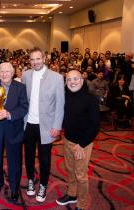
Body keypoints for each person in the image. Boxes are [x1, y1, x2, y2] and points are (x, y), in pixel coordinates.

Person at [22, 47, 65, 202]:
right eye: (32, 59)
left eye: (38, 59)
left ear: (44, 58)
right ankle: (31, 180)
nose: (35, 62)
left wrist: (57, 126)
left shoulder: (57, 78)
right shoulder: (26, 75)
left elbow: (60, 104)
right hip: (28, 124)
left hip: (46, 126)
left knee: (44, 158)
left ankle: (44, 185)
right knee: (28, 156)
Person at [56, 70, 100, 210]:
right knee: (69, 170)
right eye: (69, 80)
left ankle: (82, 203)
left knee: (80, 175)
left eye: (76, 79)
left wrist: (82, 145)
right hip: (68, 139)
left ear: (82, 80)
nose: (72, 82)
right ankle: (72, 194)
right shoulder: (66, 96)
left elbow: (95, 125)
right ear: (66, 82)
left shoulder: (90, 99)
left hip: (83, 144)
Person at [0, 62, 28, 203]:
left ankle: (15, 188)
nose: (4, 74)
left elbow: (24, 108)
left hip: (14, 130)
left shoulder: (21, 87)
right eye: (1, 71)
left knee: (14, 161)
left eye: (7, 71)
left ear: (12, 73)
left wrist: (8, 114)